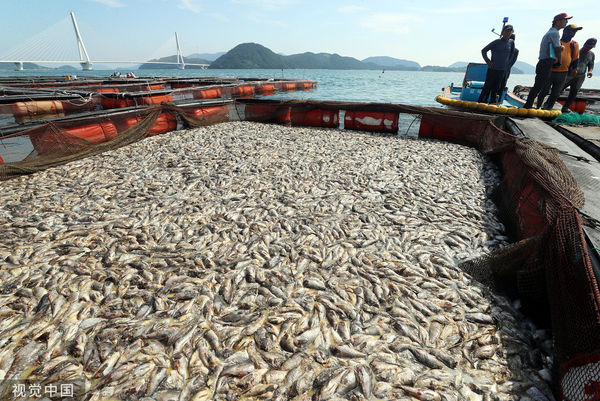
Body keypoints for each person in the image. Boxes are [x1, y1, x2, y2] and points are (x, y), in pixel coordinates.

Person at [523, 13, 570, 109]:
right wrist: (562, 49)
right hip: (546, 63)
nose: (566, 22)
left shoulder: (551, 32)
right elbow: (557, 49)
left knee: (539, 85)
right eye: (565, 20)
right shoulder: (554, 33)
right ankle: (527, 106)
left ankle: (529, 105)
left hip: (545, 62)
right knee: (539, 86)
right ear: (558, 21)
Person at [536, 23, 582, 110]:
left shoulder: (574, 44)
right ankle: (538, 106)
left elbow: (576, 58)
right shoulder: (557, 41)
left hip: (563, 72)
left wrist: (575, 68)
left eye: (575, 31)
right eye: (572, 31)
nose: (573, 33)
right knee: (544, 90)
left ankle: (549, 108)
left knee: (556, 92)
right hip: (551, 70)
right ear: (565, 31)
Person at [478, 24, 515, 104]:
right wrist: (488, 61)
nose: (508, 33)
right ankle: (481, 103)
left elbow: (512, 53)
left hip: (502, 70)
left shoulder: (511, 43)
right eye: (506, 31)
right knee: (487, 88)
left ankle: (492, 104)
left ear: (512, 33)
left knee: (496, 89)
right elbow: (483, 51)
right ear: (502, 32)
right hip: (493, 69)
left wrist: (507, 64)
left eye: (510, 32)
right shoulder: (497, 42)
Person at [561, 37, 596, 112]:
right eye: (587, 46)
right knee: (559, 88)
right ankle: (549, 103)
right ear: (584, 44)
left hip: (580, 76)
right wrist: (572, 69)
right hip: (569, 74)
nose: (588, 48)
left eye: (591, 47)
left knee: (574, 92)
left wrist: (590, 71)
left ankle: (566, 107)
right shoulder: (576, 51)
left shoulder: (591, 54)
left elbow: (591, 64)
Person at [496, 33, 519, 102]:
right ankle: (499, 100)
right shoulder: (516, 50)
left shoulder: (505, 47)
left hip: (500, 69)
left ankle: (494, 99)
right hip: (507, 70)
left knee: (496, 84)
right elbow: (512, 62)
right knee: (502, 85)